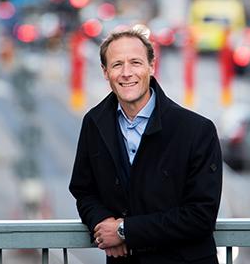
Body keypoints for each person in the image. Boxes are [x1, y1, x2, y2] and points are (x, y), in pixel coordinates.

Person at [69, 26, 223, 264]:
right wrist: (103, 222)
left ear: (152, 66)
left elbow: (201, 215)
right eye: (117, 64)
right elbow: (84, 191)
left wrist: (124, 232)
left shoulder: (197, 130)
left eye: (135, 63)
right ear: (105, 72)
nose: (126, 73)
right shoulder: (94, 123)